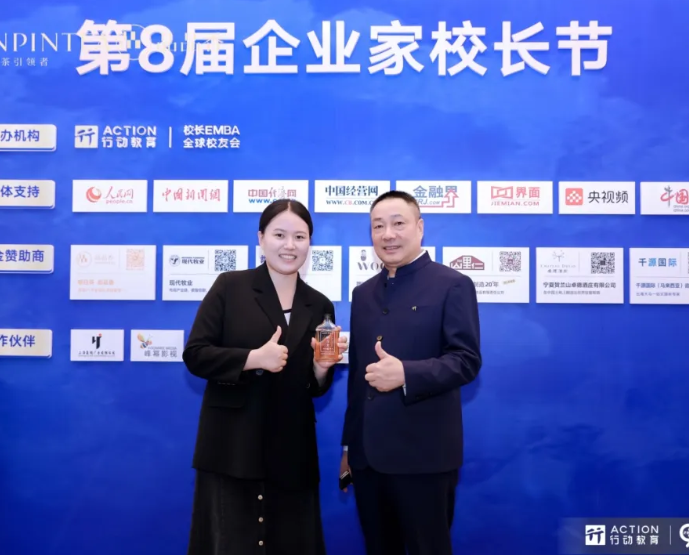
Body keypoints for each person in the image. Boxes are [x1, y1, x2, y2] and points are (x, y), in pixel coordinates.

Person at [183, 198, 348, 555]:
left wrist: (322, 369)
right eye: (279, 235)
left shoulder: (320, 304)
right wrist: (253, 358)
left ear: (310, 242)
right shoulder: (230, 287)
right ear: (261, 238)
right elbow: (195, 354)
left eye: (300, 237)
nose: (290, 245)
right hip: (232, 446)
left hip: (292, 449)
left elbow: (314, 387)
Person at [340, 190, 482, 555]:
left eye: (398, 223)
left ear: (420, 227)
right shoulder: (362, 294)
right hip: (368, 459)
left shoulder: (452, 284)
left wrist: (407, 374)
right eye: (378, 226)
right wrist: (349, 446)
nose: (388, 234)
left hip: (424, 458)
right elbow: (357, 379)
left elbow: (466, 360)